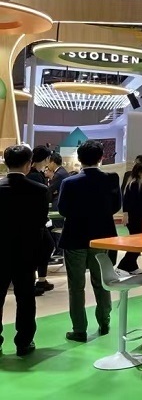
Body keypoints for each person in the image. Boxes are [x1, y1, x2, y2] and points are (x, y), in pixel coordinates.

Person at [58, 141, 121, 342]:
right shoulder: (111, 179)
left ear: (79, 158)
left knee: (76, 286)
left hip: (74, 237)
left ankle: (79, 329)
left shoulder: (69, 182)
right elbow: (115, 206)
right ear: (101, 157)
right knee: (101, 282)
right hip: (102, 238)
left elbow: (63, 210)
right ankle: (104, 321)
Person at [0, 145, 50, 356]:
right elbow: (40, 222)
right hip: (26, 252)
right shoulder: (39, 190)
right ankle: (24, 341)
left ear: (6, 163)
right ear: (29, 164)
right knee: (25, 298)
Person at [28, 146, 55, 296]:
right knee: (44, 247)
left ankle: (41, 280)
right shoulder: (35, 176)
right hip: (35, 221)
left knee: (46, 247)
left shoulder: (36, 174)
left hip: (37, 220)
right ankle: (37, 281)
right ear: (46, 159)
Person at [117, 162, 142, 275]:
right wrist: (126, 215)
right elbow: (128, 202)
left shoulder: (139, 184)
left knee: (137, 243)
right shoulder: (134, 185)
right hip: (135, 219)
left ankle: (132, 266)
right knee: (137, 244)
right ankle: (122, 266)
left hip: (138, 218)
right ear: (140, 172)